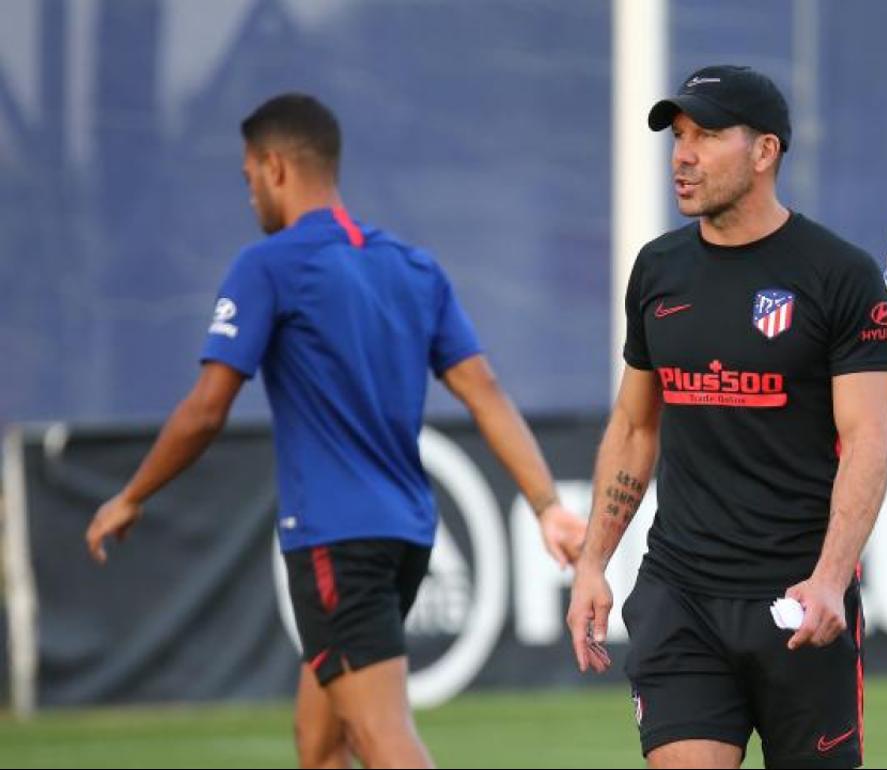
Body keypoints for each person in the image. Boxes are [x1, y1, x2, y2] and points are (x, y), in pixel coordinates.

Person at [84, 93, 586, 769]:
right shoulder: (412, 267)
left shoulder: (267, 266)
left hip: (335, 543)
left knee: (382, 739)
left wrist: (133, 494)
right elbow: (486, 392)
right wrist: (547, 503)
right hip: (406, 535)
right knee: (319, 743)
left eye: (247, 179)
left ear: (273, 168)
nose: (250, 195)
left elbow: (207, 408)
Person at [566, 65, 887, 769]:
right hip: (681, 595)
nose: (681, 154)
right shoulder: (658, 271)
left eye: (707, 135)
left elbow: (868, 439)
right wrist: (593, 562)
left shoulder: (839, 275)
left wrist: (833, 576)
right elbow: (634, 426)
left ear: (765, 151)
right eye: (678, 135)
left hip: (798, 603)